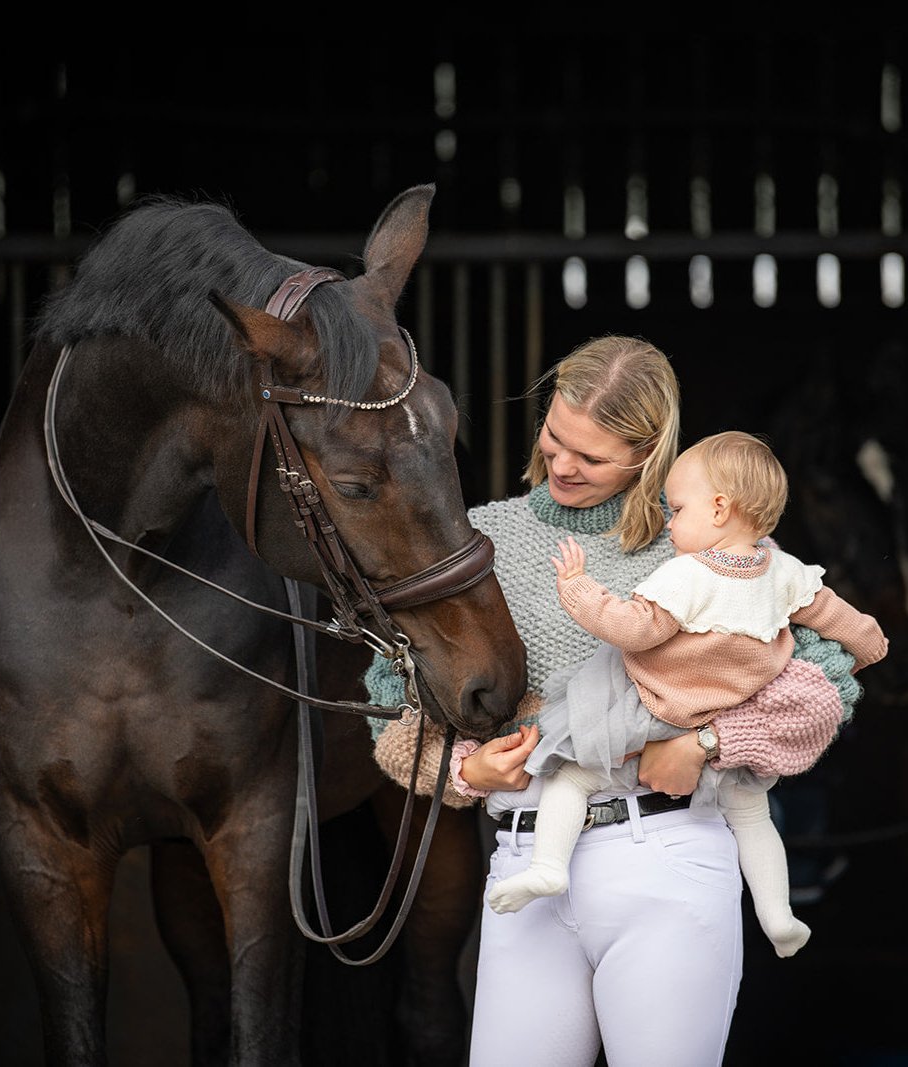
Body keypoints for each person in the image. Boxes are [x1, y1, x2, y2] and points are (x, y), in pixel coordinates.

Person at [363, 334, 867, 1067]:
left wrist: (705, 747)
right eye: (556, 437)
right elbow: (393, 692)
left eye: (592, 456)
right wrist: (465, 770)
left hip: (664, 858)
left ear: (647, 452)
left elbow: (828, 669)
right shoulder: (478, 540)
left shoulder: (711, 546)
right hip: (526, 867)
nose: (564, 464)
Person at [484, 430, 888, 962]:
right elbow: (852, 628)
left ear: (719, 508)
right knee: (752, 814)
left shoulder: (687, 575)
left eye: (676, 510)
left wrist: (579, 590)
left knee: (570, 775)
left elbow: (635, 629)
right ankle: (778, 914)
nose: (668, 523)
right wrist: (869, 650)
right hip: (717, 722)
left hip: (648, 707)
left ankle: (547, 868)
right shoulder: (788, 575)